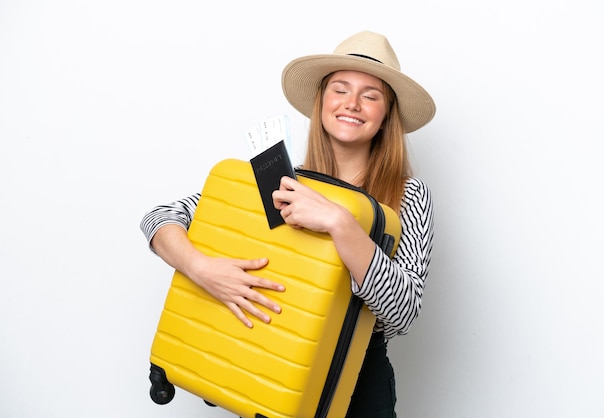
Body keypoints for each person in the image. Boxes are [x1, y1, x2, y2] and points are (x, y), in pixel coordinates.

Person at [140, 30, 435, 418]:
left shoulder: (408, 194)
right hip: (273, 366)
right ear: (321, 103)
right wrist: (203, 270)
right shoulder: (278, 182)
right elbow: (159, 218)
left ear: (385, 117)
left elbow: (401, 314)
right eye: (340, 89)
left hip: (358, 383)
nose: (353, 104)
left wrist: (341, 224)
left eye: (371, 95)